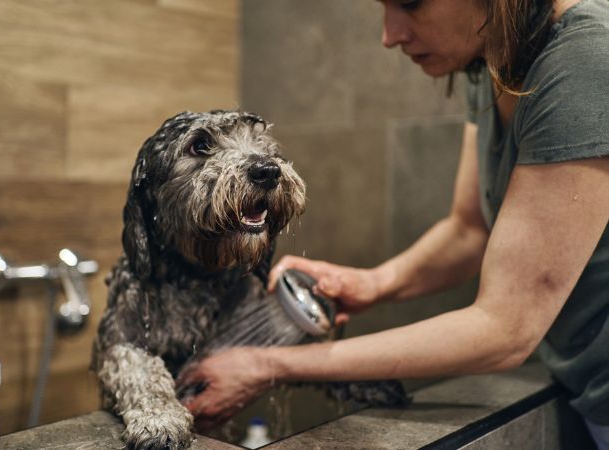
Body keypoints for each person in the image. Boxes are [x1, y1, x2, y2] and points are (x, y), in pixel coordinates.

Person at [177, 0, 609, 446]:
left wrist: (269, 365)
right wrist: (373, 283)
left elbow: (506, 328)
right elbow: (469, 230)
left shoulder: (584, 59)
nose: (390, 34)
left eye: (409, 4)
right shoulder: (492, 59)